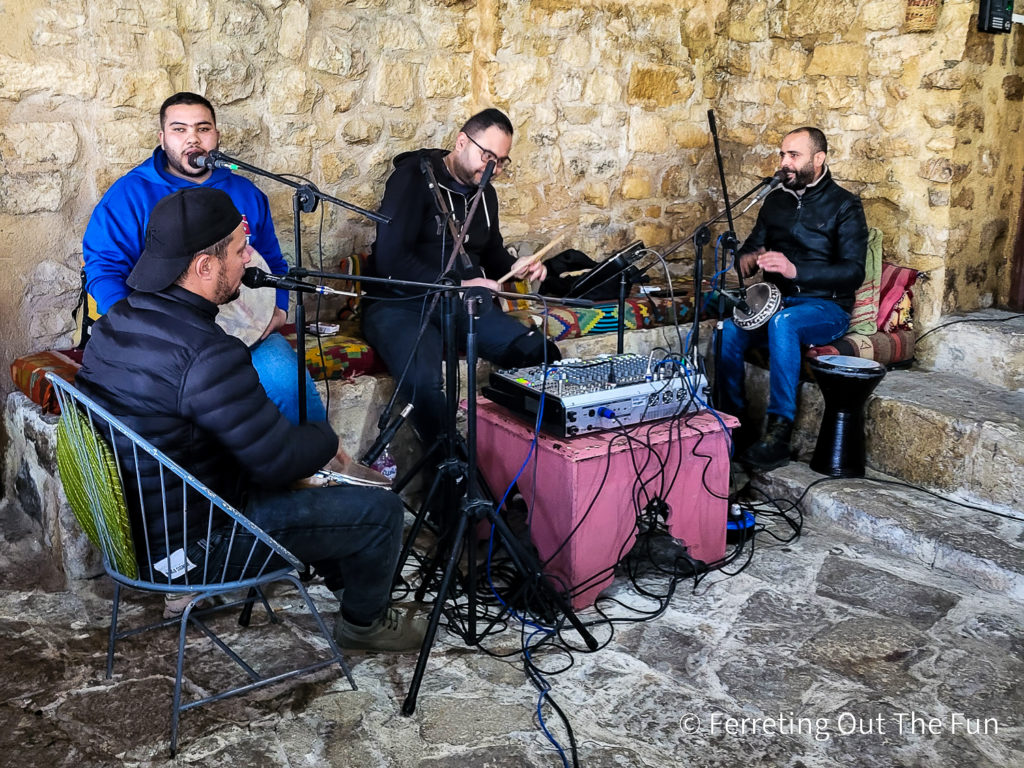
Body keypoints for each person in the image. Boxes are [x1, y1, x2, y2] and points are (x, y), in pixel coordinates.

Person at [76, 187, 425, 652]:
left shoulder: (119, 320)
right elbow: (277, 462)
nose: (248, 261)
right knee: (381, 510)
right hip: (194, 550)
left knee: (324, 492)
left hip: (138, 531)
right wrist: (325, 440)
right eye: (240, 251)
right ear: (204, 266)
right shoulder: (207, 352)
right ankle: (364, 624)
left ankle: (347, 574)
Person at [81, 91, 325, 425]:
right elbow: (103, 269)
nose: (192, 138)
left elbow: (271, 261)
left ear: (216, 135)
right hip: (164, 338)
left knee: (287, 384)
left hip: (243, 332)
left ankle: (318, 468)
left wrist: (280, 306)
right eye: (179, 129)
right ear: (162, 137)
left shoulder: (246, 192)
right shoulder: (130, 194)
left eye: (203, 128)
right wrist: (135, 329)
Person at [361, 108, 559, 447]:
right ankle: (451, 478)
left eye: (502, 161)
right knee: (424, 383)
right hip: (401, 304)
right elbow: (391, 260)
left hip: (464, 306)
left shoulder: (486, 195)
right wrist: (460, 284)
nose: (492, 168)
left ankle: (521, 455)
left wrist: (519, 266)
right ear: (461, 142)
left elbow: (493, 256)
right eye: (487, 155)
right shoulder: (412, 179)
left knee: (540, 354)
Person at [717, 127, 868, 470]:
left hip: (825, 307)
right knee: (727, 329)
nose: (785, 163)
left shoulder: (845, 205)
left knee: (785, 323)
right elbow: (752, 247)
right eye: (783, 154)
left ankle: (778, 433)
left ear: (819, 159)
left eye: (794, 156)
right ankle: (735, 425)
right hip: (775, 303)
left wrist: (794, 270)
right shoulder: (776, 201)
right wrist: (747, 259)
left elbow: (853, 271)